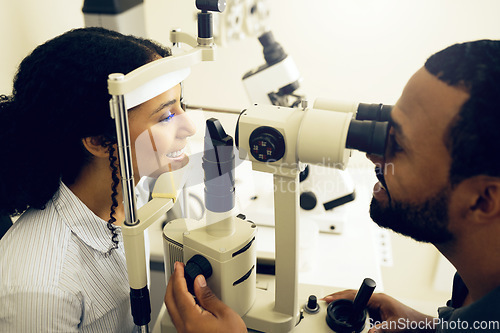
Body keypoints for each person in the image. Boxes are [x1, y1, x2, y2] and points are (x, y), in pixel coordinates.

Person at [165, 39, 500, 332]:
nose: (372, 155)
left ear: (483, 200)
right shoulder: (478, 289)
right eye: (385, 126)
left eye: (399, 145)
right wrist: (430, 328)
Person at [0, 27, 195, 332]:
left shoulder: (129, 192)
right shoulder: (42, 291)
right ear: (99, 142)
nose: (189, 127)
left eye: (181, 105)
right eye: (165, 116)